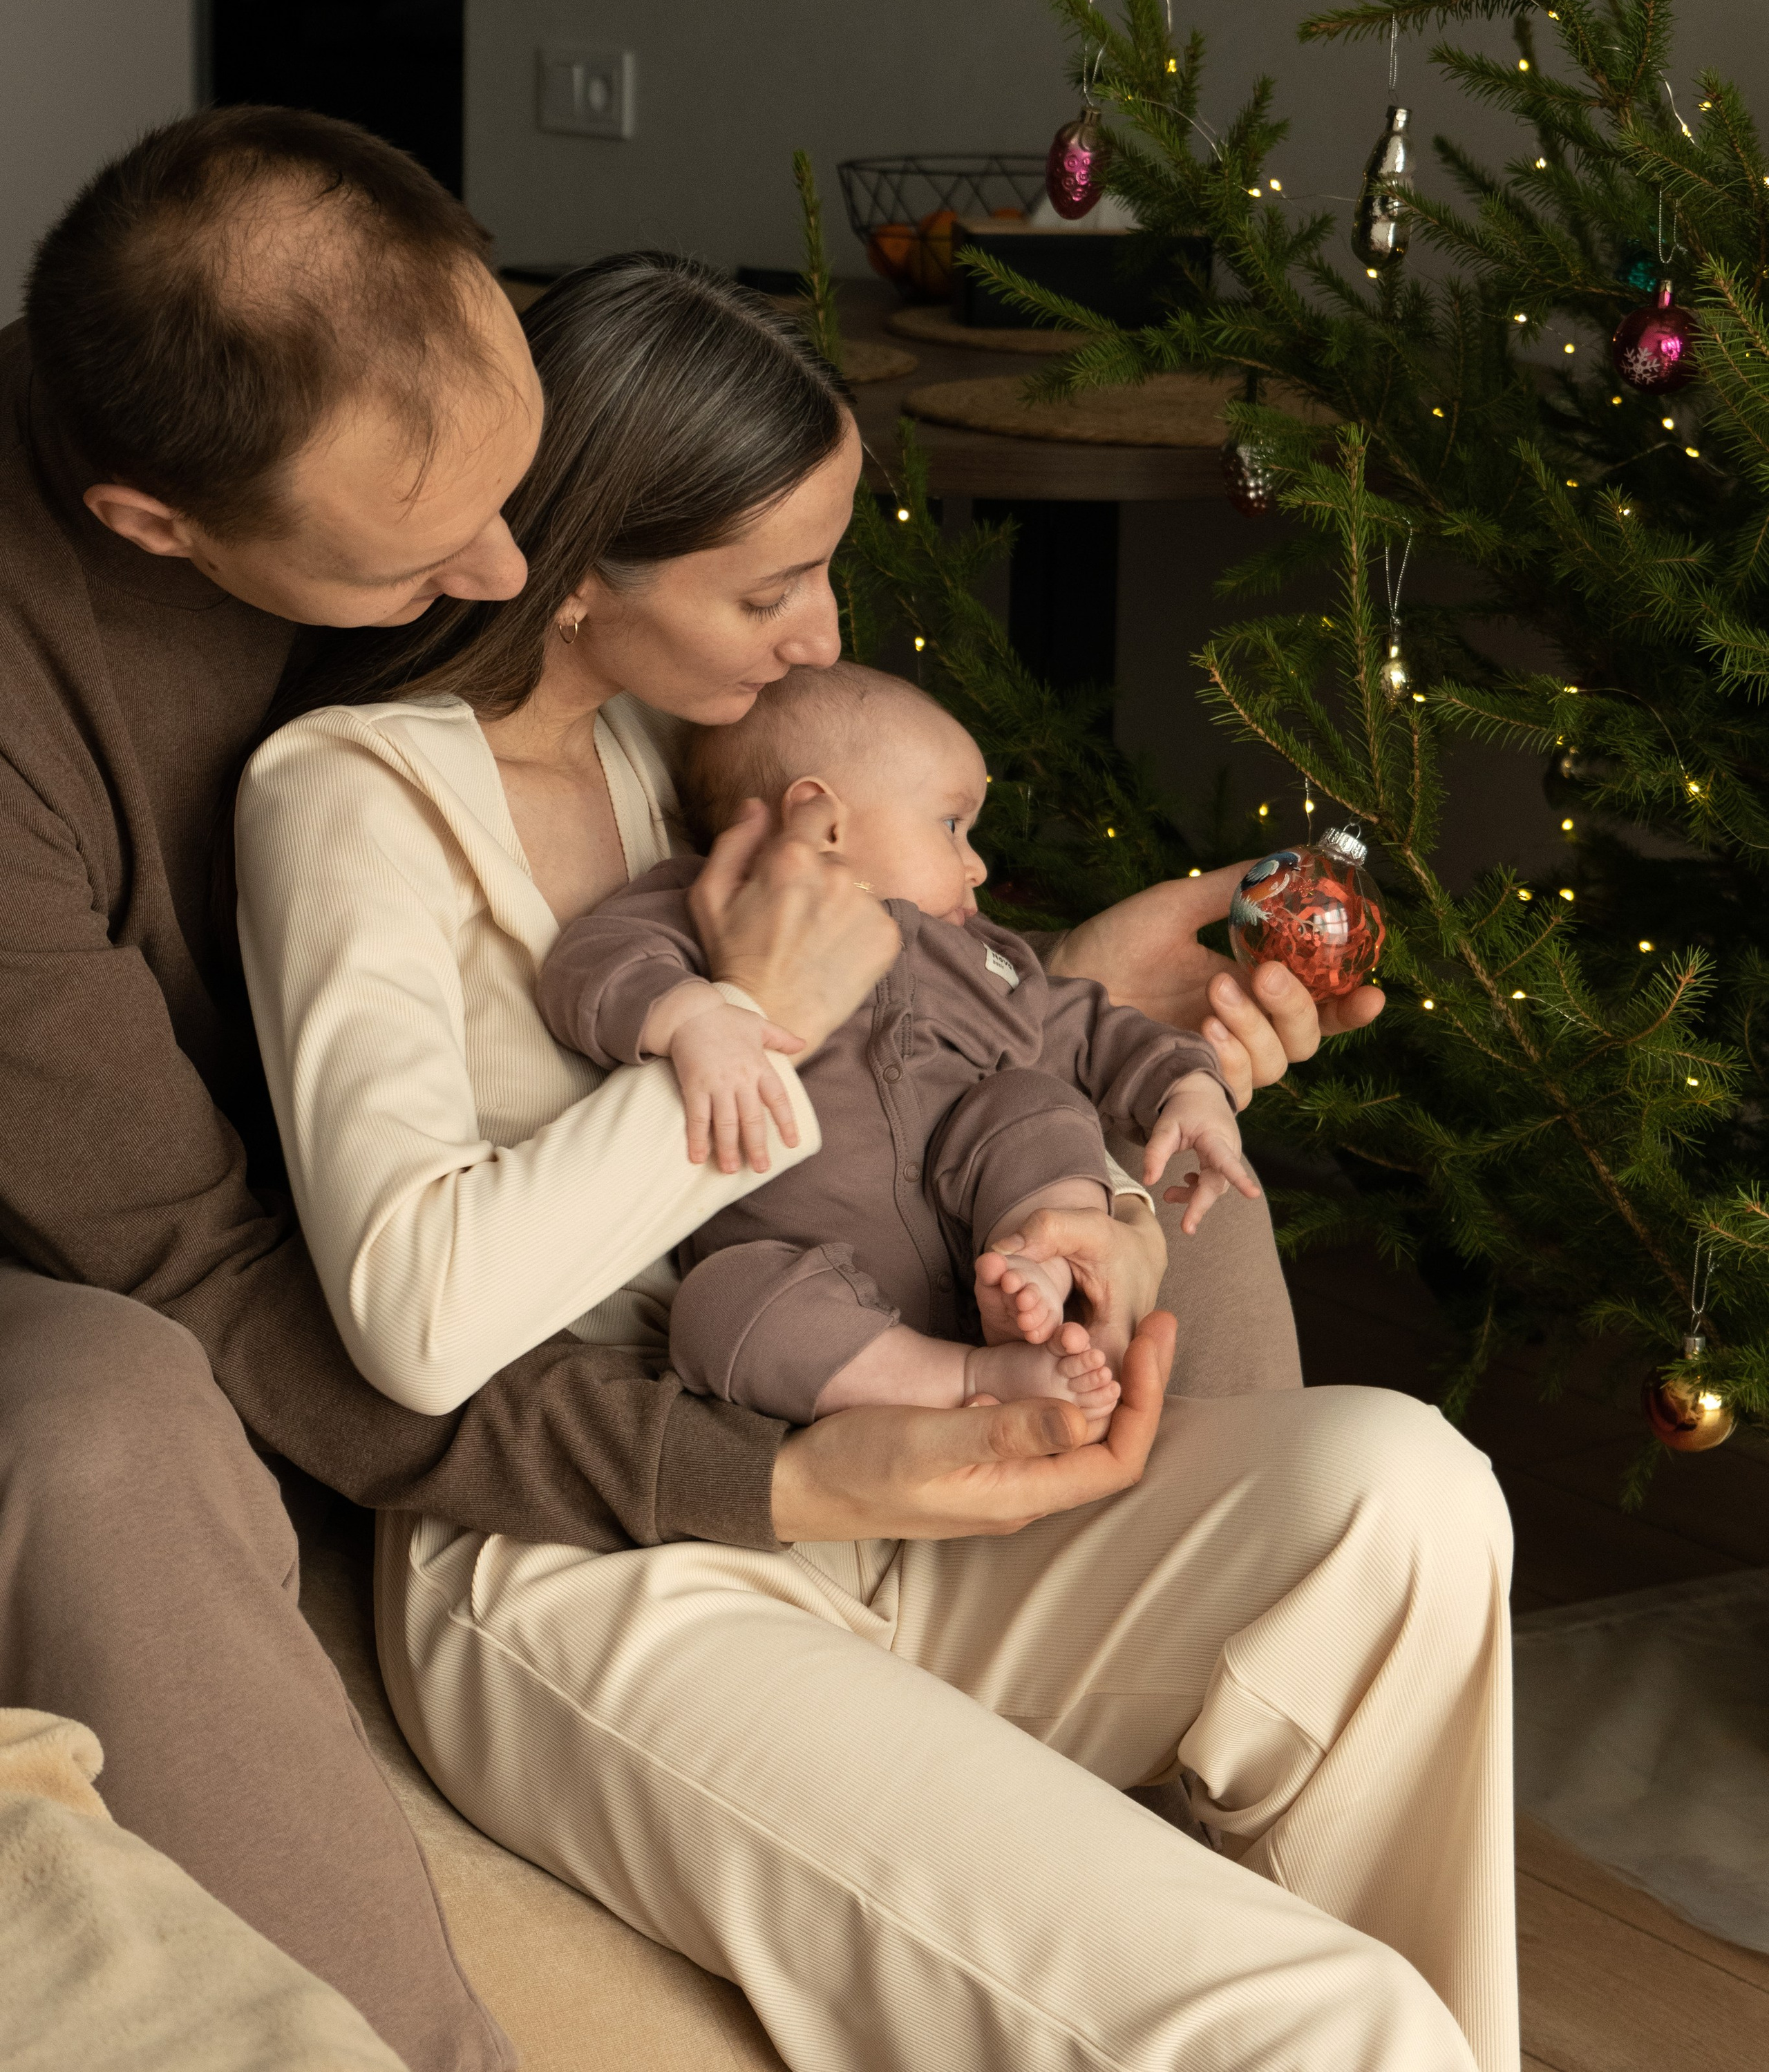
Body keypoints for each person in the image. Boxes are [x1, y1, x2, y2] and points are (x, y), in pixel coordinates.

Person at [0, 111, 1347, 2069]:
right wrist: (750, 1474)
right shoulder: (178, 751)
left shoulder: (465, 441)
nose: (509, 557)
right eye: (422, 554)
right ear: (156, 528)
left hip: (606, 1232)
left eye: (523, 477)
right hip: (192, 1281)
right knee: (112, 1421)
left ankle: (1155, 1858)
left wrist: (1044, 1017)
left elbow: (789, 974)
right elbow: (230, 1292)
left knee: (1160, 1192)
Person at [236, 245, 1518, 2072]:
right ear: (576, 570)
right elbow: (416, 1321)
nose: (825, 636)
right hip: (598, 1557)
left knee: (1409, 1494)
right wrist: (740, 1012)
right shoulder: (352, 799)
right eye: (774, 585)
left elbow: (876, 1106)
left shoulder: (694, 762)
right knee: (1325, 2021)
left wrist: (1087, 1032)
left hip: (888, 1462)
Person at [537, 660, 1261, 1429]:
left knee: (1033, 1102)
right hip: (812, 1277)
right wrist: (693, 1018)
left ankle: (1044, 1265)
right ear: (824, 819)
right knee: (717, 1305)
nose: (977, 864)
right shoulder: (721, 908)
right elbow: (590, 961)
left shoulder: (984, 960)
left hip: (978, 1233)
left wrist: (1191, 1088)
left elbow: (1090, 1026)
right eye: (951, 825)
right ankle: (968, 1376)